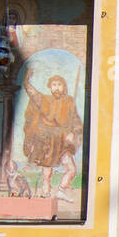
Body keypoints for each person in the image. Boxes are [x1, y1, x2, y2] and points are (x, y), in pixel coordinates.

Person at [21, 68, 82, 202]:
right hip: (47, 140)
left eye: (59, 85)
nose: (57, 88)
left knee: (71, 168)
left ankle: (61, 190)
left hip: (63, 140)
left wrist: (73, 132)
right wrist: (26, 81)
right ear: (50, 87)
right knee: (47, 170)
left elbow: (76, 121)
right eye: (54, 85)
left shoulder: (69, 101)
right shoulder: (45, 100)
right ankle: (45, 193)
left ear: (64, 87)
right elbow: (33, 93)